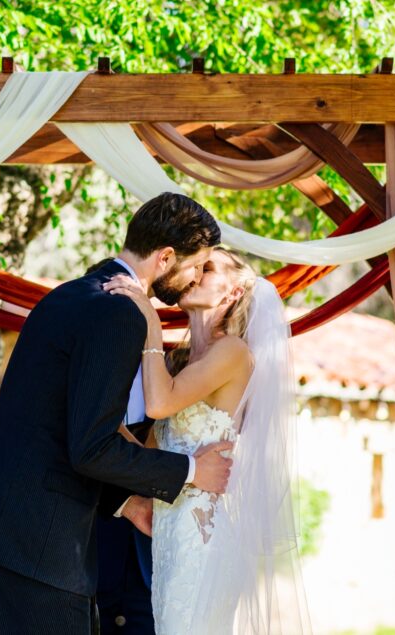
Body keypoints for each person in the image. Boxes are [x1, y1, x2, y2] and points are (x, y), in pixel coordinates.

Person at [0, 192, 234, 634]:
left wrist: (127, 503)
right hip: (35, 543)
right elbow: (91, 446)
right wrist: (191, 470)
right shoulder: (121, 313)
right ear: (166, 257)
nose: (192, 279)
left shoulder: (72, 294)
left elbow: (61, 421)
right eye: (194, 266)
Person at [106, 247, 311, 635]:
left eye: (208, 267)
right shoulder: (175, 362)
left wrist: (150, 321)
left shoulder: (233, 353)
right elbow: (145, 451)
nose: (194, 272)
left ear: (233, 292)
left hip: (204, 536)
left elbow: (159, 402)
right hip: (167, 534)